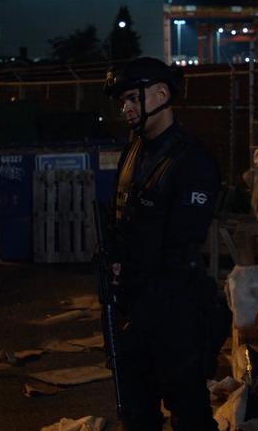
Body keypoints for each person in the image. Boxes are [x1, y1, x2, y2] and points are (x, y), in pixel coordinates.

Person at [103, 56, 228, 431]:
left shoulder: (191, 159)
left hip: (175, 308)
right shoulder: (135, 150)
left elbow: (181, 241)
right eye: (122, 101)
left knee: (187, 409)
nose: (125, 109)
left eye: (132, 99)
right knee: (136, 411)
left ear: (161, 94)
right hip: (133, 303)